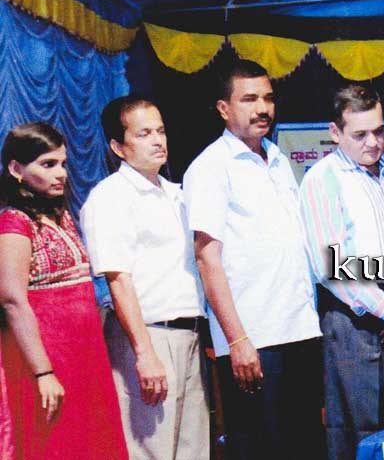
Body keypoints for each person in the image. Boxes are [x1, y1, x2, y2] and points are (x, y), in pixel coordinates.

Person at [183, 60, 323, 459]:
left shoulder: (278, 159)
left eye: (268, 98)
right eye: (249, 99)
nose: (262, 108)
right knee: (262, 449)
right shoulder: (210, 167)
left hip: (299, 329)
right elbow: (207, 259)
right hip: (255, 340)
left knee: (305, 448)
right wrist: (238, 341)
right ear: (223, 109)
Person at [298, 84, 384, 460]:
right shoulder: (322, 179)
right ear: (335, 132)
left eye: (379, 131)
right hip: (357, 323)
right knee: (361, 434)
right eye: (360, 134)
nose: (373, 142)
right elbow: (331, 267)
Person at [80, 97, 209, 459]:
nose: (157, 141)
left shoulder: (177, 194)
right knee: (152, 450)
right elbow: (118, 280)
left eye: (160, 131)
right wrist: (144, 353)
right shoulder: (110, 197)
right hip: (148, 335)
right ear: (118, 147)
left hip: (189, 333)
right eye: (143, 134)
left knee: (192, 450)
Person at [0, 122, 128, 459]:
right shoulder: (15, 222)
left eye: (63, 164)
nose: (61, 173)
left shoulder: (62, 218)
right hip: (46, 359)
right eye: (48, 164)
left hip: (85, 356)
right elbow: (13, 301)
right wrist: (43, 372)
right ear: (16, 169)